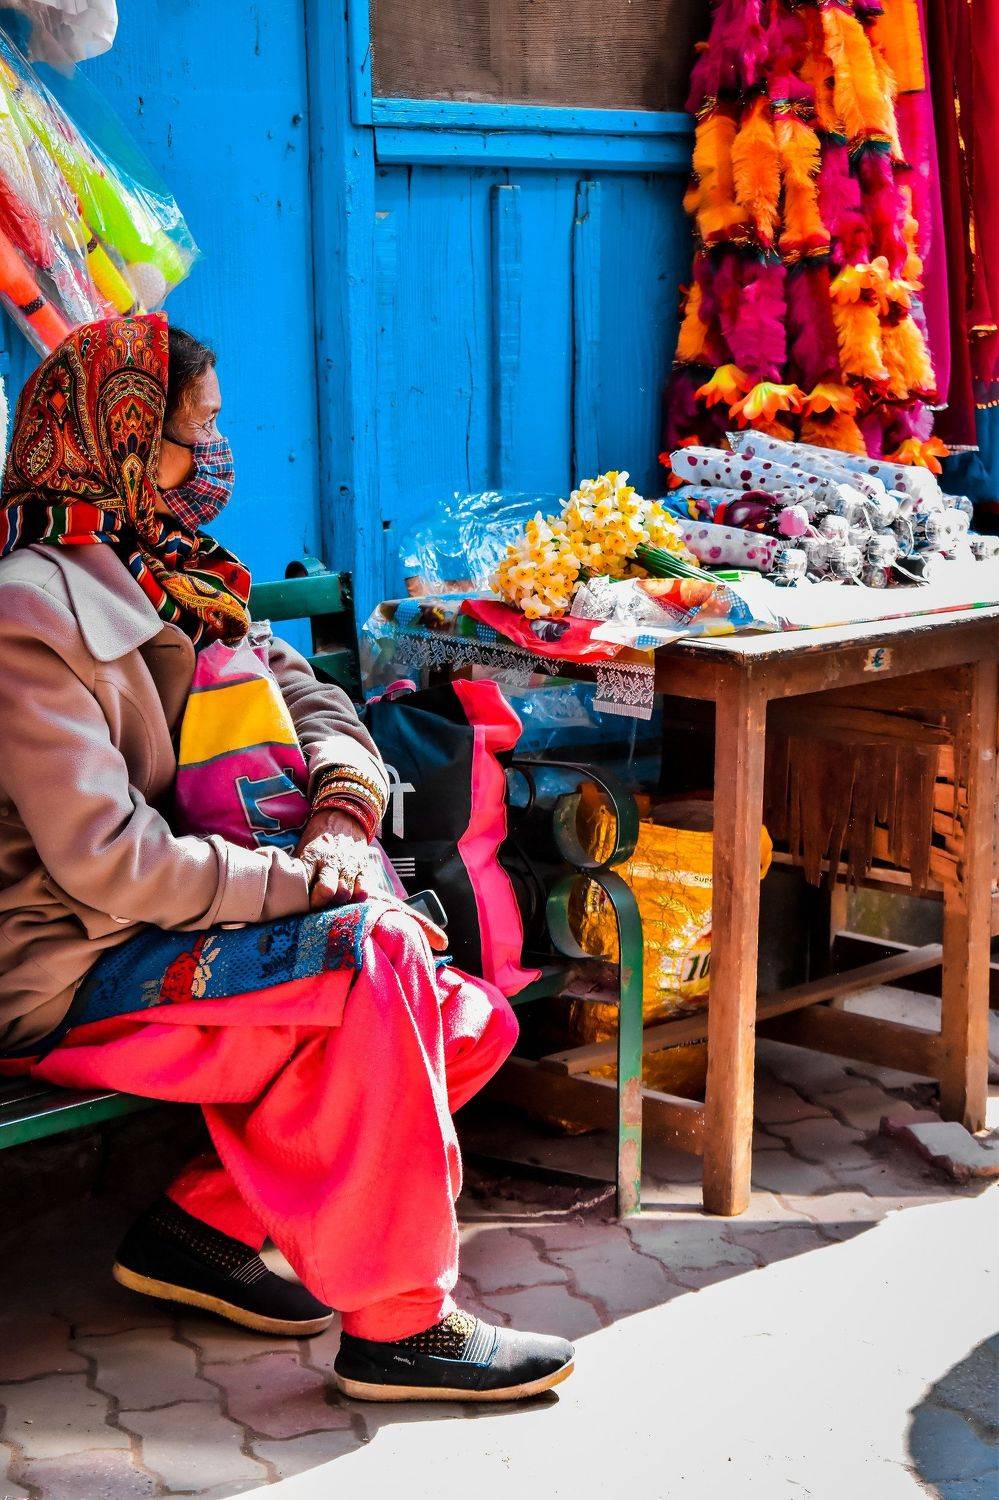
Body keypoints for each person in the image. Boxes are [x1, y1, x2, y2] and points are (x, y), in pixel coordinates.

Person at [0, 313, 573, 1403]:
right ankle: (402, 1326)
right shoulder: (27, 614)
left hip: (195, 918)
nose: (218, 456)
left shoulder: (174, 570)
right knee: (379, 962)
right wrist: (309, 886)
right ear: (128, 440)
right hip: (76, 968)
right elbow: (108, 862)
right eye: (199, 431)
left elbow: (311, 700)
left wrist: (342, 815)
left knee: (467, 1018)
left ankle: (197, 1230)